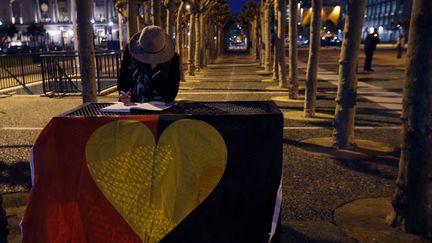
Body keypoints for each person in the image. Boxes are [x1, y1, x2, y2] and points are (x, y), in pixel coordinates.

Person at [117, 25, 180, 103]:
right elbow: (123, 80)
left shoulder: (173, 59)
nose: (149, 59)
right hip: (134, 106)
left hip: (161, 109)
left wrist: (156, 72)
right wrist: (123, 94)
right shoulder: (130, 53)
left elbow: (170, 96)